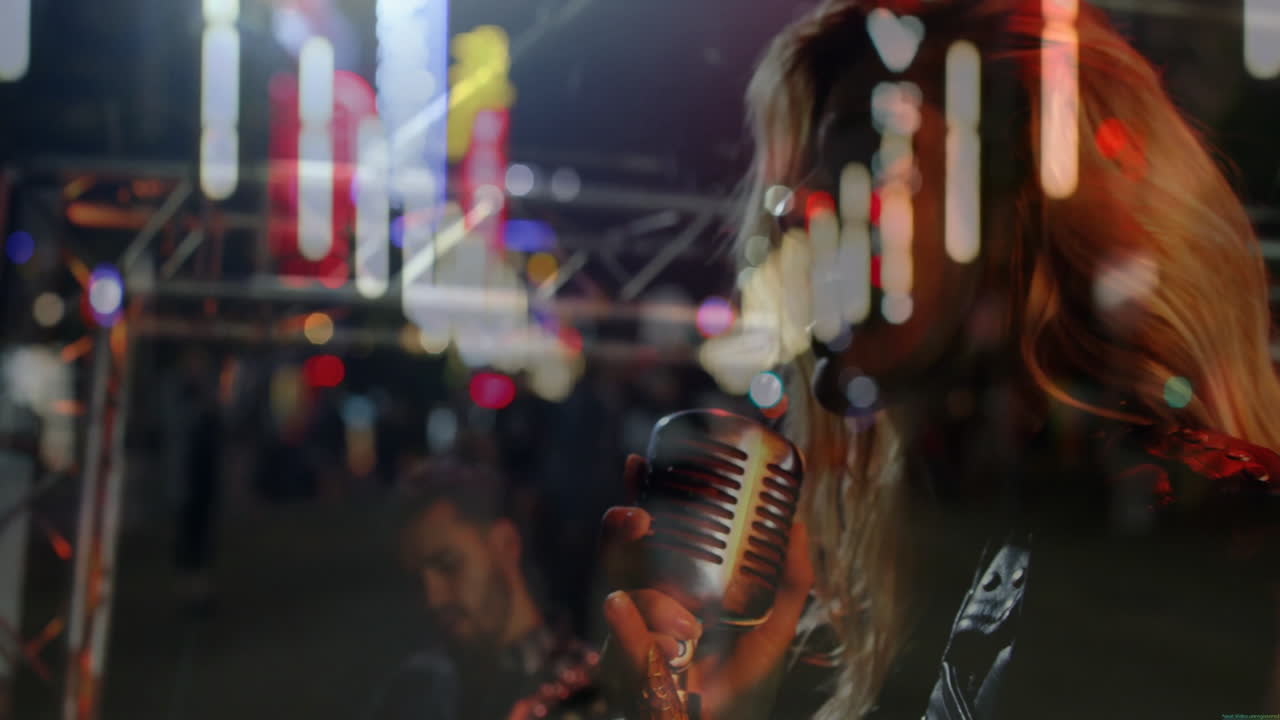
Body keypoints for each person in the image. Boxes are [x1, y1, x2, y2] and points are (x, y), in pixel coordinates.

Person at [600, 1, 1280, 719]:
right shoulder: (942, 564)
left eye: (862, 157)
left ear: (1019, 206)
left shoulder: (1223, 550)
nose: (797, 210)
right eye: (805, 178)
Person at [366, 456, 610, 720]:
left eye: (448, 566)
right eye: (417, 581)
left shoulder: (592, 687)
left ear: (505, 543)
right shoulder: (415, 688)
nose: (432, 599)